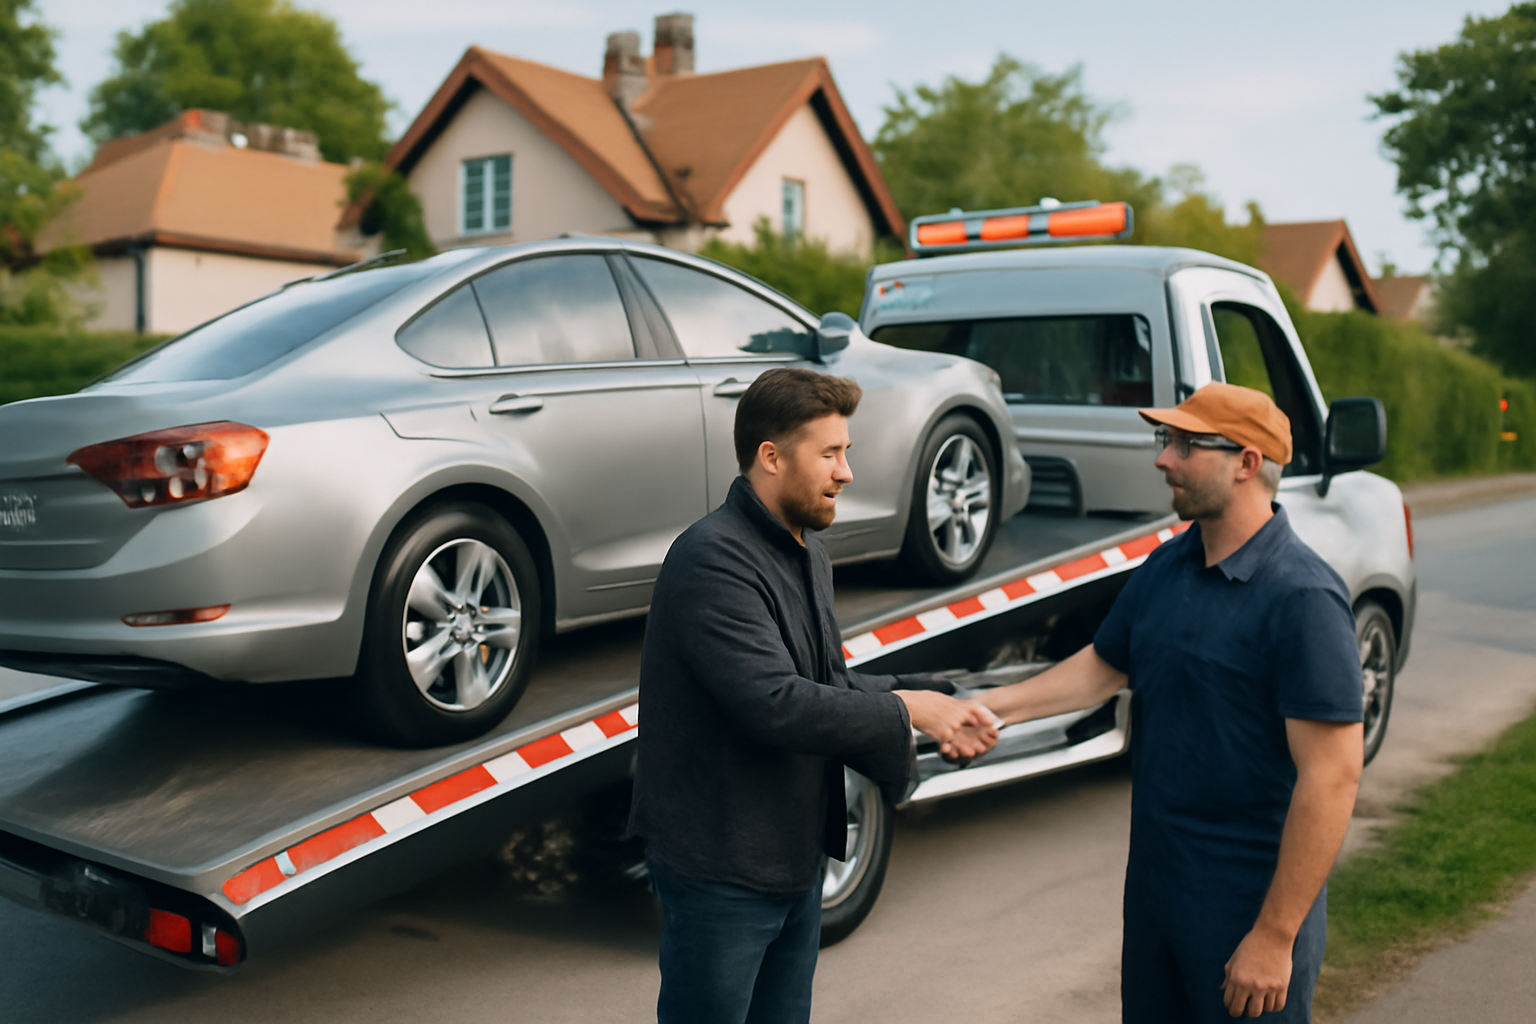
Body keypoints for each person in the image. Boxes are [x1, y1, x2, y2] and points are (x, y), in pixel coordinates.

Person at [979, 382, 1364, 1022]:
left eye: (1186, 445)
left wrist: (1274, 935)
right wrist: (991, 709)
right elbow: (1102, 669)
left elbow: (1332, 777)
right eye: (1167, 440)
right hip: (1159, 894)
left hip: (1247, 906)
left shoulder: (1302, 599)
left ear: (1246, 462)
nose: (1164, 459)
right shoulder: (1168, 565)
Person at [629, 367, 998, 1024]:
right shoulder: (712, 559)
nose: (846, 472)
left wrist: (927, 697)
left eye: (846, 452)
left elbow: (822, 682)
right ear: (771, 457)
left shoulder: (807, 551)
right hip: (722, 871)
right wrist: (908, 710)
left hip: (794, 861)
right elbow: (773, 702)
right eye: (830, 453)